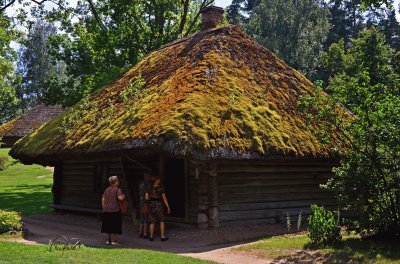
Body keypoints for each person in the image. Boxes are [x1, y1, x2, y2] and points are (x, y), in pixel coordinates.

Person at [101, 175, 125, 245]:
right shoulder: (118, 190)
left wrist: (104, 208)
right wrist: (123, 196)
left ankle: (108, 240)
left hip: (107, 210)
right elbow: (120, 198)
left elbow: (103, 199)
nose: (118, 181)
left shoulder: (107, 190)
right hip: (115, 210)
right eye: (117, 180)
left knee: (108, 226)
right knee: (115, 226)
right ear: (115, 182)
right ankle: (114, 241)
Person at [145, 176, 171, 241]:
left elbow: (146, 198)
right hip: (159, 204)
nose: (160, 180)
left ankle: (151, 237)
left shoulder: (149, 188)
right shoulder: (160, 188)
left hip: (151, 205)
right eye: (159, 179)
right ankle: (162, 236)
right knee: (161, 220)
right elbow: (164, 198)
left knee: (152, 221)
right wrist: (168, 206)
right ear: (156, 180)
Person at [138, 171, 152, 239]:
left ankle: (140, 233)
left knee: (141, 218)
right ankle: (145, 234)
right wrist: (149, 200)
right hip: (145, 203)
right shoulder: (146, 185)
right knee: (145, 218)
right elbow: (146, 196)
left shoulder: (140, 184)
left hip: (140, 202)